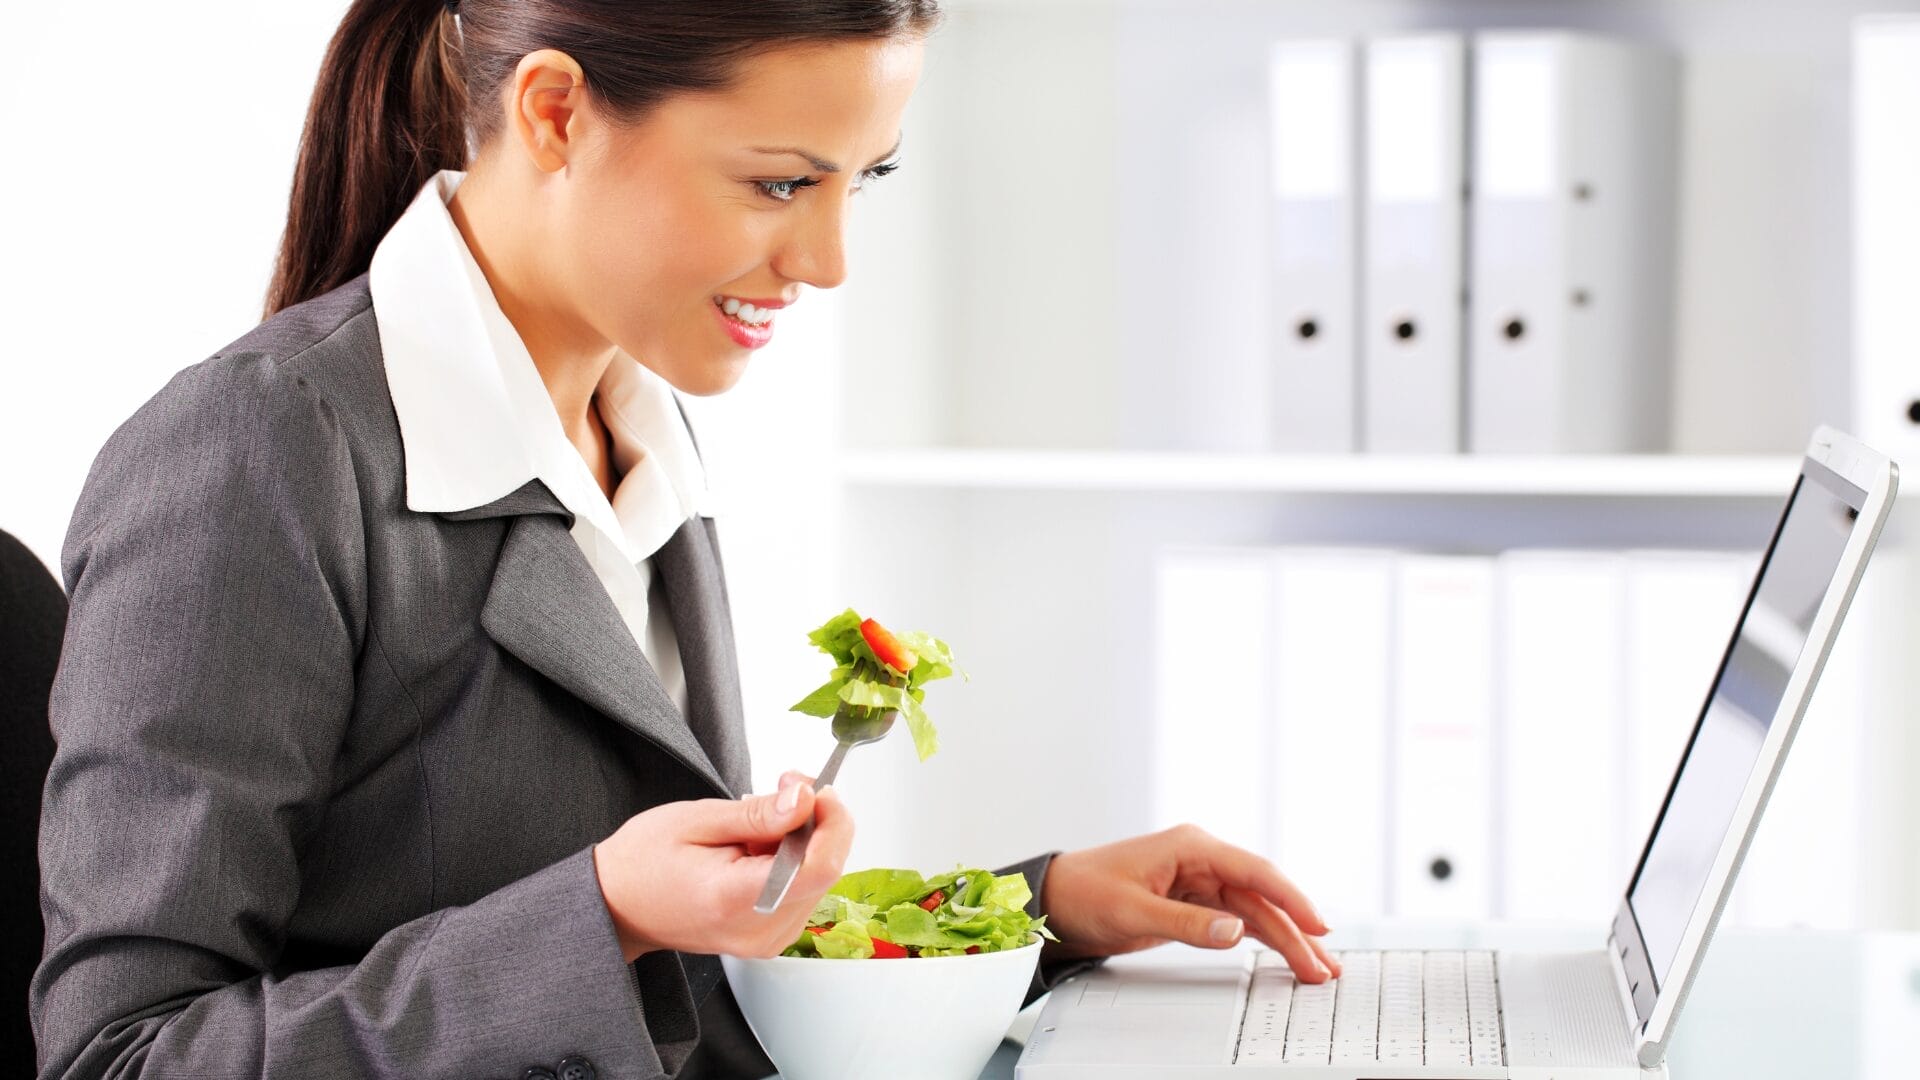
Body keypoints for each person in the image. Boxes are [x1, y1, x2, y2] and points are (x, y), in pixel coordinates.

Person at [31, 1, 1340, 1076]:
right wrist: (599, 913)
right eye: (780, 181)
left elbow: (681, 979)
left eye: (859, 182)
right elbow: (124, 1056)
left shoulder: (633, 420)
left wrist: (1031, 910)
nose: (827, 261)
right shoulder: (253, 455)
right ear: (554, 113)